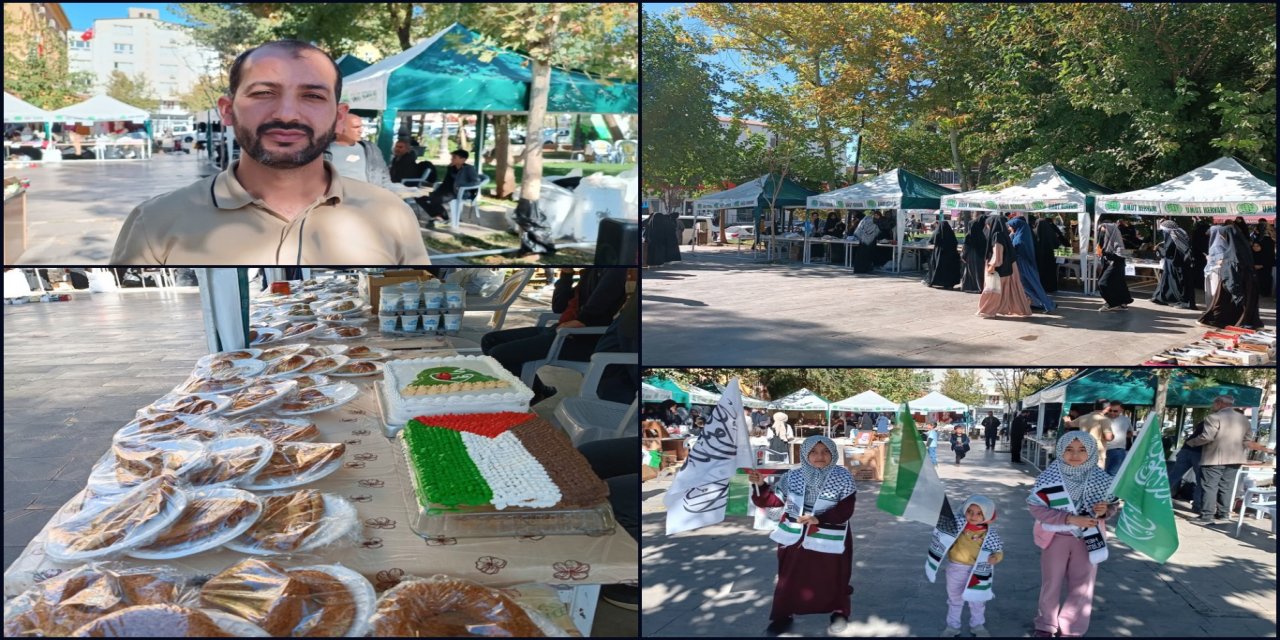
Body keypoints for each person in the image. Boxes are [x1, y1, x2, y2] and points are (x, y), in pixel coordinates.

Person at [110, 40, 429, 265]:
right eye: (264, 93)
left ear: (339, 117)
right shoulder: (154, 223)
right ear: (227, 110)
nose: (287, 114)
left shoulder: (391, 214)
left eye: (313, 96)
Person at [747, 436, 857, 636]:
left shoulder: (843, 477)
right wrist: (761, 485)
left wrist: (819, 519)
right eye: (813, 452)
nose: (819, 456)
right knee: (788, 576)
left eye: (825, 451)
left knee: (835, 574)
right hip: (795, 533)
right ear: (804, 454)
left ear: (833, 453)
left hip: (829, 531)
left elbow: (846, 508)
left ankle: (840, 611)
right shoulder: (792, 476)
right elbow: (773, 501)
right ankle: (782, 615)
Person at [1028, 431, 1121, 637]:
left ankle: (1072, 627)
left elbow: (1112, 506)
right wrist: (1069, 519)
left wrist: (1104, 510)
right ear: (1060, 451)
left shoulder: (1102, 479)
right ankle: (1046, 624)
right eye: (1069, 449)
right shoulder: (1050, 476)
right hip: (1056, 538)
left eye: (1082, 450)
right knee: (1051, 581)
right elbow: (1036, 508)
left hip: (1089, 539)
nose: (1075, 455)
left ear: (1091, 452)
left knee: (1083, 585)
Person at [480, 268, 627, 379]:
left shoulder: (614, 271)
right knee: (489, 340)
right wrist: (566, 274)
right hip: (560, 331)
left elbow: (589, 315)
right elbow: (559, 307)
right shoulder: (590, 271)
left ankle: (523, 397)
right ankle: (538, 391)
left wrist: (580, 322)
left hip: (581, 339)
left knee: (498, 354)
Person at [935, 496, 1004, 637]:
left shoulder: (989, 534)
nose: (973, 516)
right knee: (955, 600)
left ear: (988, 514)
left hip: (979, 572)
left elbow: (998, 551)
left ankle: (977, 625)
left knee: (977, 600)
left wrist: (995, 557)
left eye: (979, 513)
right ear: (964, 510)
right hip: (956, 568)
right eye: (970, 511)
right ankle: (952, 627)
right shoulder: (957, 526)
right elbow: (943, 534)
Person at [1185, 395, 1253, 525]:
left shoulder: (1213, 418)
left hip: (1214, 458)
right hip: (1235, 459)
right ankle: (1223, 514)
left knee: (1210, 486)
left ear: (1220, 403)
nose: (1213, 405)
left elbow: (1206, 437)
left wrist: (1191, 442)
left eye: (1214, 403)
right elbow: (1247, 440)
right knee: (1226, 487)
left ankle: (1206, 515)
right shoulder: (1243, 419)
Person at [1198, 223, 1264, 329]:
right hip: (1246, 282)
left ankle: (1218, 321)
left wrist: (1234, 291)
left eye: (1223, 236)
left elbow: (1231, 273)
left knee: (1223, 303)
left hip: (1234, 282)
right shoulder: (1243, 247)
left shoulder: (1232, 253)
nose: (1222, 238)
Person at [976, 215, 1033, 319]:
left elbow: (998, 252)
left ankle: (987, 310)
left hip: (1000, 268)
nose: (987, 227)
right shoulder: (1003, 234)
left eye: (988, 224)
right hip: (1009, 266)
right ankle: (1019, 307)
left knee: (992, 289)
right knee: (1011, 289)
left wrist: (993, 265)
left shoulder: (997, 235)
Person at [419, 148, 482, 228]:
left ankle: (443, 217)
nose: (452, 159)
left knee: (435, 199)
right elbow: (446, 181)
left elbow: (476, 182)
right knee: (421, 198)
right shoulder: (451, 167)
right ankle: (439, 216)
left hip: (459, 192)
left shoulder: (469, 169)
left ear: (463, 159)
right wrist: (438, 190)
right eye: (452, 157)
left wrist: (461, 186)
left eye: (454, 157)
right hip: (447, 190)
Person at [324, 113, 391, 186]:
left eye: (361, 127)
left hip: (370, 195)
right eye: (356, 127)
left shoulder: (372, 150)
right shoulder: (322, 151)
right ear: (339, 128)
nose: (361, 130)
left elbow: (385, 180)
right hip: (337, 195)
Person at [1009, 217, 1057, 312]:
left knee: (1033, 285)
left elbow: (1018, 251)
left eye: (1011, 226)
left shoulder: (1020, 238)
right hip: (1024, 266)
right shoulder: (1021, 235)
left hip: (1024, 266)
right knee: (1028, 286)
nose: (1010, 228)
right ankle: (1040, 304)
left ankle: (1048, 305)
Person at [1150, 219, 1197, 309]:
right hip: (1174, 264)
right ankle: (1162, 298)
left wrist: (1159, 249)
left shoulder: (1173, 237)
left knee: (1181, 284)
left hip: (1177, 264)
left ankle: (1184, 302)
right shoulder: (1179, 235)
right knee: (1168, 282)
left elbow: (1168, 252)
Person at [1167, 419, 1207, 514]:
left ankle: (1159, 496)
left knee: (1174, 475)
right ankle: (1197, 506)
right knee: (1200, 480)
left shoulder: (1204, 421)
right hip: (1200, 452)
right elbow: (1207, 438)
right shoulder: (1216, 423)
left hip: (1186, 449)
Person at [1094, 223, 1134, 312]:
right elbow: (1101, 247)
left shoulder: (1118, 242)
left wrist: (1104, 253)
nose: (1102, 233)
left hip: (1116, 264)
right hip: (1110, 263)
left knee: (1102, 283)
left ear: (1110, 231)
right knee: (1119, 284)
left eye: (1104, 231)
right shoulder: (1106, 240)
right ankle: (1123, 303)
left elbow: (1120, 255)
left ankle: (1113, 303)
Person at [1072, 400, 1114, 470]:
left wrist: (1065, 418)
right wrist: (1113, 436)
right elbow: (1108, 437)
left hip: (1083, 451)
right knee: (1097, 477)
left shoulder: (1082, 417)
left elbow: (1069, 424)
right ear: (1108, 408)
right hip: (1097, 453)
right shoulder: (1105, 419)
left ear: (1094, 406)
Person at [924, 220, 963, 289]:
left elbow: (931, 241)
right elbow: (955, 242)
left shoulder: (937, 232)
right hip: (950, 255)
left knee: (936, 268)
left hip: (939, 254)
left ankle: (932, 281)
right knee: (949, 270)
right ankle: (949, 284)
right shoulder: (951, 233)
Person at [1034, 216, 1068, 293]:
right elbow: (1057, 245)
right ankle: (1051, 288)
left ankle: (1041, 288)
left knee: (1041, 274)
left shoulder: (1034, 232)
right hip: (1050, 257)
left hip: (1039, 259)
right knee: (1050, 273)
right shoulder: (1051, 233)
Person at [961, 216, 989, 293]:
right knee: (979, 271)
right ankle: (980, 286)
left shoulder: (968, 235)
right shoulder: (982, 235)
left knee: (970, 271)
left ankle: (970, 287)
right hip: (980, 256)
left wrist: (963, 256)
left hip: (970, 256)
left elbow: (966, 247)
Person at [1102, 401, 1130, 476]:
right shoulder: (1102, 419)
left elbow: (1130, 432)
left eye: (1115, 411)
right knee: (1103, 474)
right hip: (1103, 450)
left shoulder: (1126, 420)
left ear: (1121, 411)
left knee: (1114, 474)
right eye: (1110, 410)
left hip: (1118, 450)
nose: (1112, 413)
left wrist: (1122, 436)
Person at [1251, 219, 1275, 297]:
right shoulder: (1271, 239)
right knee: (1267, 277)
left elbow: (1255, 250)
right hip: (1268, 263)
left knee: (1260, 279)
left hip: (1259, 263)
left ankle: (1261, 292)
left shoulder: (1259, 239)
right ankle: (1266, 292)